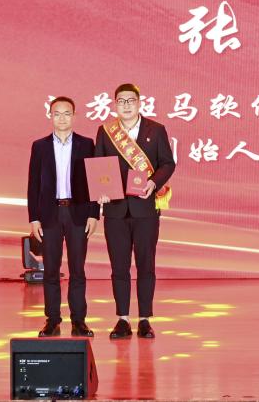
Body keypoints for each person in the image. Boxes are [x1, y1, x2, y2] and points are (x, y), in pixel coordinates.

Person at [94, 83, 175, 339]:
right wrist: (100, 190)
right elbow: (99, 164)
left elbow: (167, 164)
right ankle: (122, 319)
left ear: (139, 103)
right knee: (119, 267)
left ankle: (145, 319)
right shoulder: (106, 131)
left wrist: (154, 183)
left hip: (145, 210)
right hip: (115, 210)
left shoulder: (156, 130)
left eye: (130, 100)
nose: (126, 105)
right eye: (121, 101)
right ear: (115, 105)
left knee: (145, 265)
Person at [27, 96, 98, 337]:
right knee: (50, 270)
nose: (62, 118)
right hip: (50, 213)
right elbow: (33, 184)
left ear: (74, 116)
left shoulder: (87, 144)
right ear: (50, 116)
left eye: (67, 113)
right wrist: (34, 218)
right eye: (57, 113)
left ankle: (79, 321)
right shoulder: (40, 146)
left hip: (78, 212)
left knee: (78, 269)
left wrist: (94, 214)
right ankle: (52, 320)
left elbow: (94, 181)